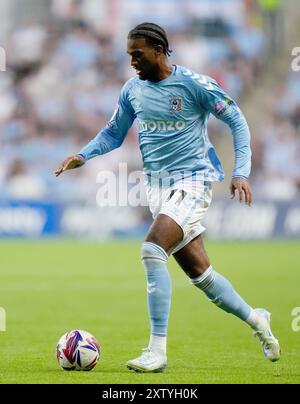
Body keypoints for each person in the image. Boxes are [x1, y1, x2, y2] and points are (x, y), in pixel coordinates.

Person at [55, 22, 280, 373]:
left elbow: (237, 120)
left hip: (194, 181)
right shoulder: (132, 90)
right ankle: (258, 320)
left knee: (151, 248)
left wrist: (241, 172)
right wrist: (83, 155)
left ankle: (156, 351)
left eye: (137, 54)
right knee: (201, 275)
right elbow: (114, 132)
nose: (131, 61)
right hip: (158, 188)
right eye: (129, 54)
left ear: (158, 51)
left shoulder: (193, 84)